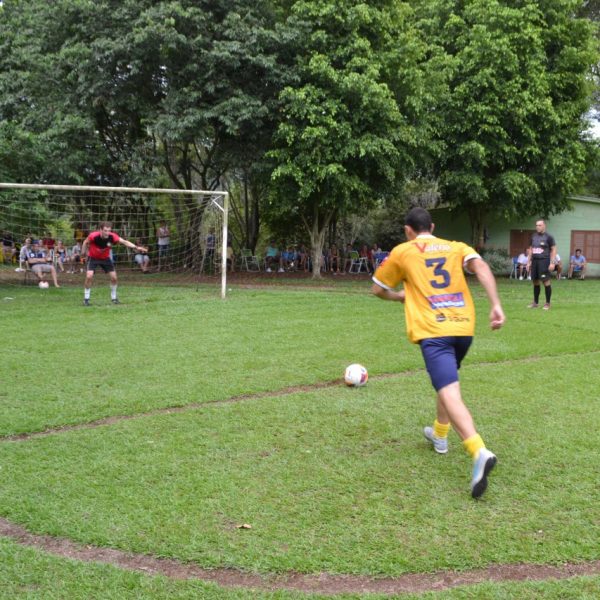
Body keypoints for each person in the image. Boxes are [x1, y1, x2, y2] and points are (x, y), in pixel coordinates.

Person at [371, 207, 505, 499]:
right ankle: (439, 435)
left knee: (449, 390)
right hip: (463, 329)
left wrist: (399, 296)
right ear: (432, 226)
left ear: (408, 230)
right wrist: (495, 304)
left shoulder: (403, 251)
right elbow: (481, 268)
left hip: (435, 332)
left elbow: (377, 289)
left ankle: (478, 450)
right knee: (447, 384)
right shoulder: (456, 247)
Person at [81, 222, 147, 306]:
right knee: (89, 276)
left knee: (114, 278)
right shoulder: (93, 236)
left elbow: (124, 242)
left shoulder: (112, 236)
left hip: (105, 258)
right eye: (105, 230)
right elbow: (85, 242)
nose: (107, 233)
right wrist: (83, 253)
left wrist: (136, 247)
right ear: (100, 230)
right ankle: (86, 299)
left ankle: (114, 298)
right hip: (93, 258)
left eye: (109, 230)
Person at [527, 218, 557, 310]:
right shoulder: (533, 236)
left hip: (544, 261)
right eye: (536, 225)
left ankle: (548, 303)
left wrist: (552, 263)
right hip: (535, 261)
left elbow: (554, 250)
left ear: (544, 226)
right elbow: (530, 249)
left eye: (539, 225)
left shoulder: (549, 237)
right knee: (535, 281)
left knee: (545, 281)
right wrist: (528, 262)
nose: (537, 227)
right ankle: (535, 303)